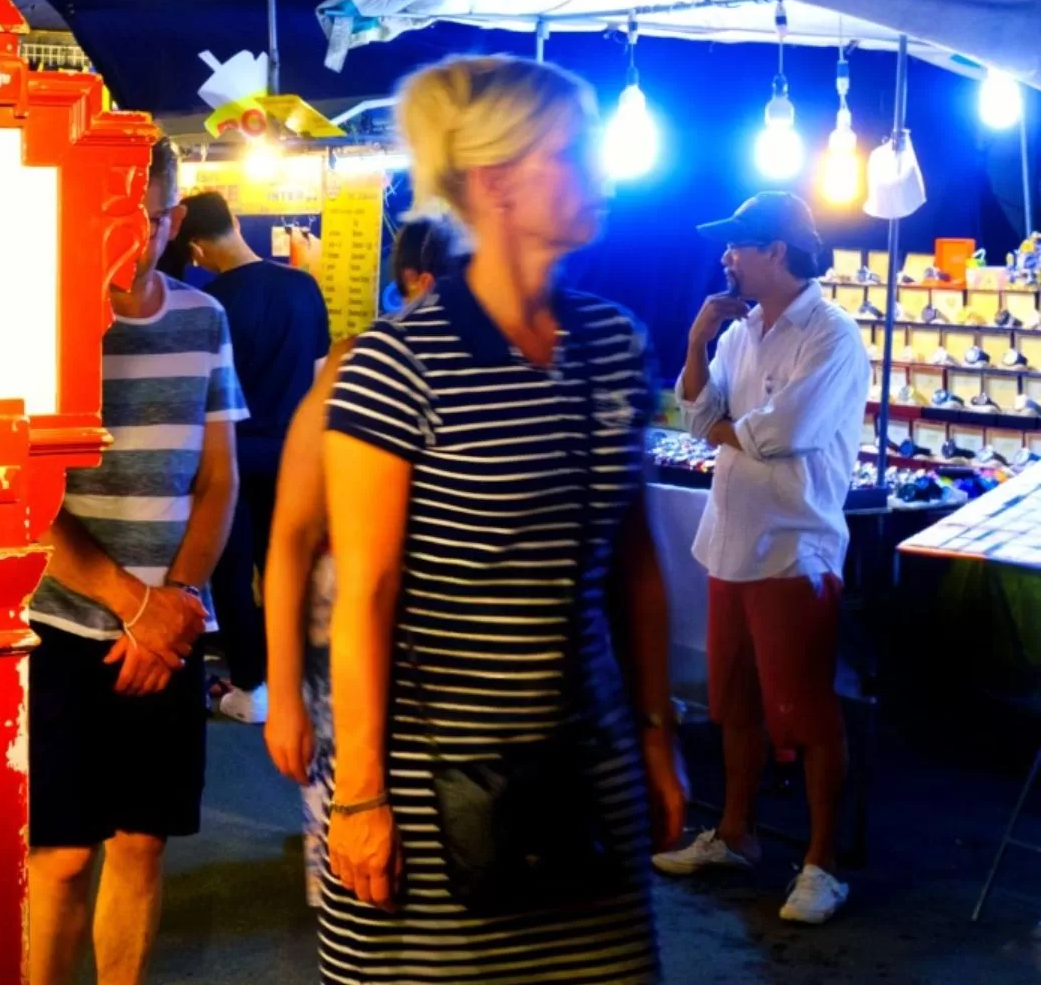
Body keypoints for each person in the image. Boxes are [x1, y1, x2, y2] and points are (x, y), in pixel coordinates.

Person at [321, 55, 685, 984]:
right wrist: (360, 800)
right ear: (496, 183)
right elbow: (362, 593)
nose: (600, 174)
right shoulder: (398, 365)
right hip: (438, 783)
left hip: (587, 761)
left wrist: (653, 730)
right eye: (575, 154)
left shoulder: (613, 341)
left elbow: (635, 562)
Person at [26, 138, 243, 985]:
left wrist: (175, 600)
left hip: (172, 623)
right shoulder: (48, 322)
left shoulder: (205, 318)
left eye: (145, 216)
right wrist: (133, 604)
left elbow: (218, 480)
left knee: (142, 843)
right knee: (64, 855)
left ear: (172, 218)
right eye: (109, 214)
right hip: (63, 620)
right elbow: (27, 492)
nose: (129, 234)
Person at [653, 191, 868, 925]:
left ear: (776, 252)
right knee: (732, 705)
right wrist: (694, 344)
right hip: (731, 539)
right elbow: (694, 408)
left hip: (792, 546)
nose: (726, 258)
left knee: (804, 712)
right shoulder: (738, 332)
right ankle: (736, 834)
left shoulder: (832, 334)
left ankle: (822, 864)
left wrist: (718, 424)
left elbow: (783, 432)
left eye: (738, 246)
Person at [263, 217, 460, 907]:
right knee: (369, 881)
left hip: (457, 684)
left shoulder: (518, 368)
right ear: (422, 283)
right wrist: (283, 696)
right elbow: (290, 536)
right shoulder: (359, 365)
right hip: (350, 658)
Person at [175, 190, 332, 725]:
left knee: (234, 575)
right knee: (286, 568)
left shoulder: (212, 304)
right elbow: (317, 381)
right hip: (293, 453)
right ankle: (298, 680)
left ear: (194, 247)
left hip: (234, 458)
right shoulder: (304, 287)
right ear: (236, 222)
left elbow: (202, 399)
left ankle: (251, 687)